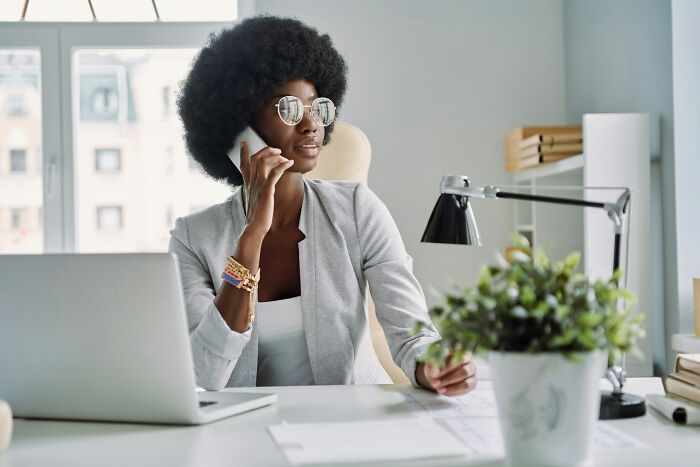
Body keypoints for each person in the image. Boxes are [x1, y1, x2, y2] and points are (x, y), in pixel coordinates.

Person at [171, 15, 477, 396]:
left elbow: (411, 333)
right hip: (248, 433)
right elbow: (207, 373)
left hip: (352, 423)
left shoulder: (357, 209)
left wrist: (431, 365)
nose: (311, 124)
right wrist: (251, 238)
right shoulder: (192, 238)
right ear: (237, 124)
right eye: (288, 109)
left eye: (317, 108)